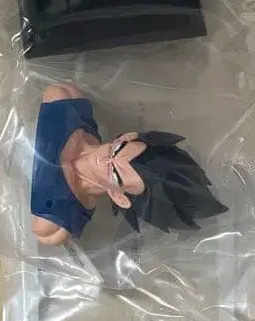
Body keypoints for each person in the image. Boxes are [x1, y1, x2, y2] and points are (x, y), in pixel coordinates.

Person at [30, 83, 227, 245]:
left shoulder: (57, 218)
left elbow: (44, 230)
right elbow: (53, 92)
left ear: (119, 197)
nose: (105, 160)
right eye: (117, 150)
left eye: (115, 173)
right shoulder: (69, 105)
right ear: (127, 137)